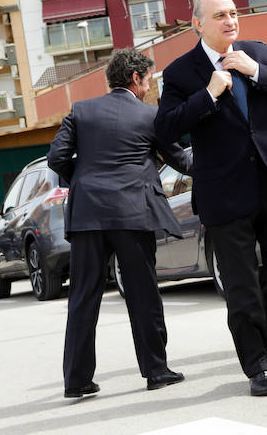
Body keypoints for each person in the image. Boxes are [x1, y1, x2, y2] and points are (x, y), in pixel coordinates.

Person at [155, 0, 267, 396]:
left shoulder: (257, 52)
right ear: (198, 24)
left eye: (233, 13)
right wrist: (208, 94)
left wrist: (257, 72)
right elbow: (165, 129)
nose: (230, 21)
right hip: (224, 193)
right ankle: (257, 366)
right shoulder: (179, 73)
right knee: (241, 287)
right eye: (220, 15)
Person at [47, 48, 191, 398]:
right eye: (149, 79)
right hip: (132, 213)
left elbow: (56, 158)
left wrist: (83, 179)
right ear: (136, 78)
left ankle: (76, 381)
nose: (150, 86)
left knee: (82, 297)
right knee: (143, 294)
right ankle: (156, 371)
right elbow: (182, 161)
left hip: (87, 216)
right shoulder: (149, 116)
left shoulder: (81, 111)